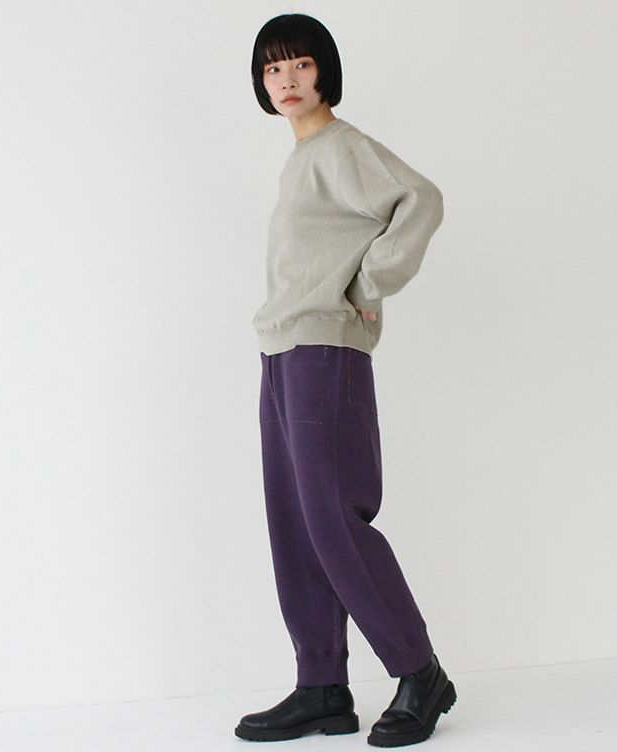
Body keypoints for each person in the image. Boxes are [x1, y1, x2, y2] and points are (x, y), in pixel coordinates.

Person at [234, 13, 456, 748]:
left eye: (299, 64)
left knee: (332, 516)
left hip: (324, 347)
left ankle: (420, 671)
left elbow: (421, 199)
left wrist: (369, 281)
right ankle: (322, 685)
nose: (287, 79)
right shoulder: (301, 157)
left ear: (323, 70)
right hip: (282, 347)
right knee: (295, 522)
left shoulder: (343, 147)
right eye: (272, 69)